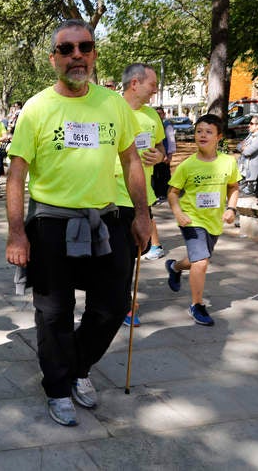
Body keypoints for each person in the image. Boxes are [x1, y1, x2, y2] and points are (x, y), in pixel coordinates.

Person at [5, 19, 150, 427]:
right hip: (51, 224)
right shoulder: (37, 107)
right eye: (66, 49)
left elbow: (131, 160)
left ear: (94, 54)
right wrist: (17, 232)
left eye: (84, 47)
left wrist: (142, 214)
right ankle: (56, 387)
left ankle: (77, 368)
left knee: (113, 306)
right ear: (53, 58)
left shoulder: (113, 104)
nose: (76, 56)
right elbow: (16, 174)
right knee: (54, 313)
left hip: (106, 220)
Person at [166, 115, 239, 326]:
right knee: (201, 261)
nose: (202, 135)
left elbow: (233, 187)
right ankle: (197, 305)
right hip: (191, 219)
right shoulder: (187, 165)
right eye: (199, 131)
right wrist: (178, 213)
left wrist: (231, 208)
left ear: (219, 137)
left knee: (197, 259)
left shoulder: (228, 162)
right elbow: (172, 193)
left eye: (208, 132)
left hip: (214, 221)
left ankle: (175, 267)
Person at [116, 64, 166, 327]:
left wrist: (159, 155)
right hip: (111, 197)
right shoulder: (110, 108)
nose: (155, 89)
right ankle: (122, 304)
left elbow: (160, 147)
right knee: (119, 256)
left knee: (136, 252)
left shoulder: (151, 116)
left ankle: (120, 299)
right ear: (135, 83)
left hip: (141, 197)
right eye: (152, 84)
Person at [236, 116, 258, 196]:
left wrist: (243, 147)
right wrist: (243, 147)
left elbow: (248, 152)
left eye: (251, 123)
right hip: (244, 172)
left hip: (253, 175)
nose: (249, 125)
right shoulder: (250, 136)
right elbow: (238, 146)